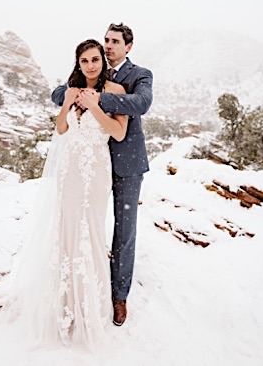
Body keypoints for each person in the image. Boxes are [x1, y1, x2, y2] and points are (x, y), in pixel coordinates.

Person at [0, 39, 128, 348]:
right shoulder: (72, 89)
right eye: (84, 61)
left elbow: (118, 132)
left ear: (102, 61)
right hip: (69, 170)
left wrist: (94, 106)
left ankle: (90, 307)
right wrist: (68, 103)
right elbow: (62, 129)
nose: (90, 65)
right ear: (78, 64)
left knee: (89, 231)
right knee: (66, 231)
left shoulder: (115, 91)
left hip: (95, 169)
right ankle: (66, 305)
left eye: (95, 59)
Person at [51, 22, 153, 327]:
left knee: (124, 231)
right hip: (85, 163)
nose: (108, 46)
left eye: (115, 42)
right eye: (106, 40)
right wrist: (74, 94)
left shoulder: (138, 75)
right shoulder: (92, 72)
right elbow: (60, 93)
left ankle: (119, 296)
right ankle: (79, 284)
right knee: (81, 226)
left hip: (126, 164)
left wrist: (98, 100)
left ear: (128, 47)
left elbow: (141, 103)